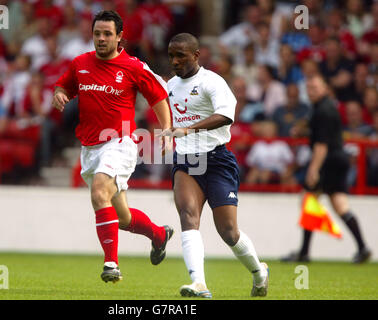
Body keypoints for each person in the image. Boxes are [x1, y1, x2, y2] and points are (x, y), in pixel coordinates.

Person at [52, 10, 173, 283]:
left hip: (120, 142)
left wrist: (166, 130)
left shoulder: (133, 67)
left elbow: (158, 97)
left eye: (107, 34)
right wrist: (59, 94)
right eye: (97, 34)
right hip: (90, 147)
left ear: (120, 37)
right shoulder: (80, 63)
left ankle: (111, 264)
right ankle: (159, 234)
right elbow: (64, 87)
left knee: (98, 192)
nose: (101, 39)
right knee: (123, 218)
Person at [161, 33, 269, 298]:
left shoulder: (212, 82)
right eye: (171, 56)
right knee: (188, 216)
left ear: (196, 56)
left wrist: (188, 129)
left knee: (229, 232)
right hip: (188, 159)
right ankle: (199, 283)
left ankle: (258, 271)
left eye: (180, 56)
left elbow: (225, 116)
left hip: (218, 159)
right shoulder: (170, 85)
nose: (174, 61)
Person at [282, 76, 372, 264]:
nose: (311, 90)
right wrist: (305, 132)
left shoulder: (323, 110)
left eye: (314, 87)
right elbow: (324, 135)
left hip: (327, 161)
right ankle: (363, 248)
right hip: (338, 160)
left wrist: (313, 169)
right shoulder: (324, 107)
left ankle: (304, 252)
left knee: (309, 201)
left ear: (324, 88)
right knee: (340, 206)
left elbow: (321, 145)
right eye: (309, 87)